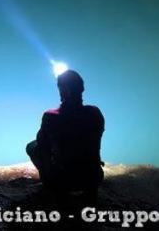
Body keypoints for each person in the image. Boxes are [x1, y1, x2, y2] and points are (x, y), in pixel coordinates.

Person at [26, 69, 104, 198]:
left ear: (63, 89)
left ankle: (51, 183)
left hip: (61, 182)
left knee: (32, 146)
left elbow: (42, 145)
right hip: (93, 179)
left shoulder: (50, 115)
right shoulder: (95, 113)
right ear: (82, 88)